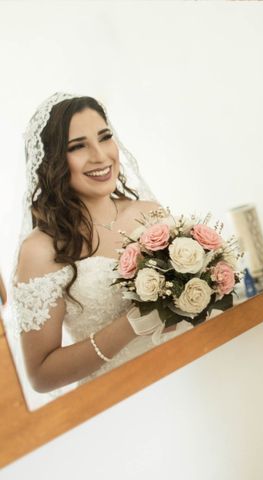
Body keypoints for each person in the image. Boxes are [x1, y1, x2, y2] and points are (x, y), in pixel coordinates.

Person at [13, 94, 175, 394]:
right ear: (53, 161)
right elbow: (41, 376)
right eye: (77, 146)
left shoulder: (149, 213)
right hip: (119, 399)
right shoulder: (41, 249)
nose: (100, 156)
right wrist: (132, 324)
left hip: (187, 371)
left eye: (104, 138)